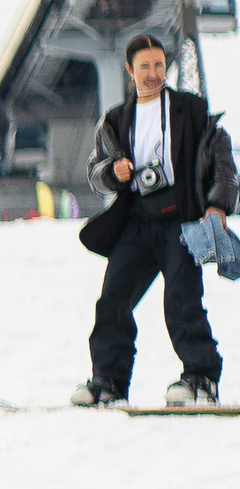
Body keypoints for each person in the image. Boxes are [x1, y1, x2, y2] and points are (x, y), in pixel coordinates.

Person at [74, 34, 237, 406]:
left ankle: (201, 379)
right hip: (136, 221)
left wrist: (218, 205)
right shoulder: (116, 119)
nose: (153, 73)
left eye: (159, 65)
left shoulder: (191, 110)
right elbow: (95, 173)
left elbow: (222, 158)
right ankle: (108, 382)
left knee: (182, 300)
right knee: (113, 300)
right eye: (145, 66)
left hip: (181, 221)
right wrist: (114, 171)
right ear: (130, 70)